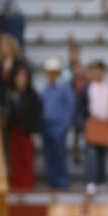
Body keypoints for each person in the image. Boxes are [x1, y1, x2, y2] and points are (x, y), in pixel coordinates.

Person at [79, 60, 108, 192]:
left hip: (106, 124)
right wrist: (84, 122)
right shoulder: (87, 87)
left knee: (102, 155)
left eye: (99, 71)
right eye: (95, 71)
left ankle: (101, 181)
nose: (97, 73)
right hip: (93, 124)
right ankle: (90, 181)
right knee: (91, 154)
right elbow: (81, 106)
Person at [39, 57, 76, 189]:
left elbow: (70, 107)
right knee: (49, 155)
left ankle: (62, 182)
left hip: (58, 125)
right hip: (46, 125)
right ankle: (52, 181)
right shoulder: (46, 88)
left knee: (59, 155)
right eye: (48, 72)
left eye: (52, 72)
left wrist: (64, 124)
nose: (50, 75)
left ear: (58, 73)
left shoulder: (64, 88)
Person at [3, 64, 41, 188]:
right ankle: (16, 185)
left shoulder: (33, 95)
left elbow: (36, 115)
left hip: (27, 132)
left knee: (27, 160)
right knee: (15, 160)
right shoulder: (10, 95)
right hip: (14, 131)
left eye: (23, 76)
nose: (21, 79)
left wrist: (34, 131)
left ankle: (27, 185)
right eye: (18, 76)